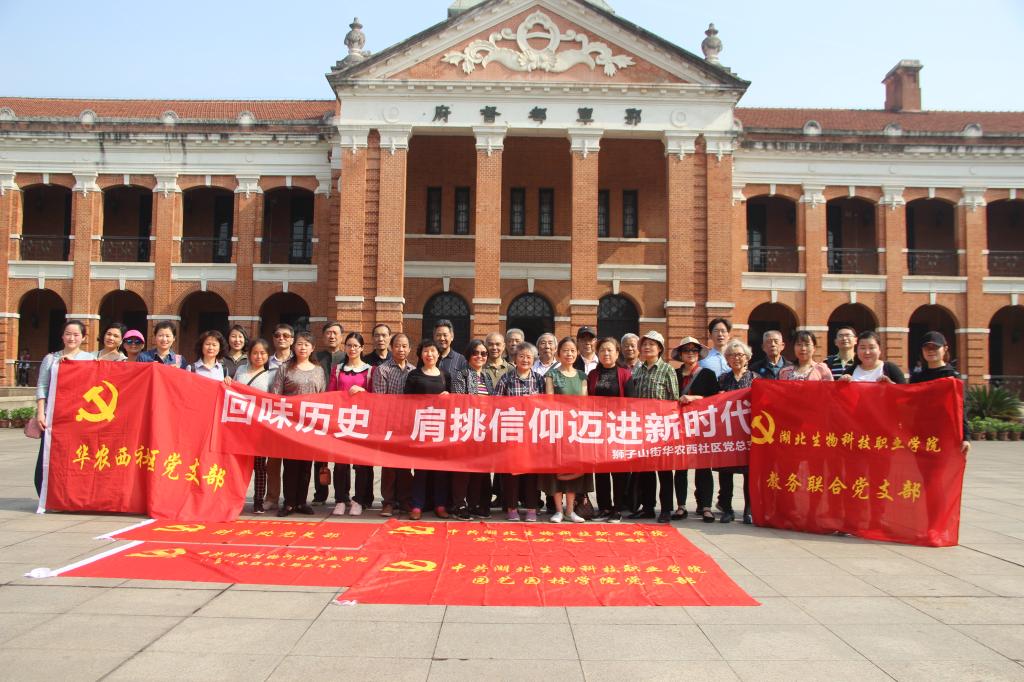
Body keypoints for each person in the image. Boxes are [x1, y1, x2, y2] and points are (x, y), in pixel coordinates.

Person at [34, 319, 96, 494]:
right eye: (68, 334)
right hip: (54, 417)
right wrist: (41, 413)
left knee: (76, 457)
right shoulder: (51, 359)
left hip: (79, 418)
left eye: (76, 335)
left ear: (83, 338)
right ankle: (46, 494)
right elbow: (42, 387)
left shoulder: (90, 359)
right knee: (48, 457)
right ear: (62, 336)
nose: (72, 338)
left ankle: (71, 495)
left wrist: (73, 366)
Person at [269, 330, 325, 517]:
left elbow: (323, 397)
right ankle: (289, 503)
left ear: (313, 348)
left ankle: (301, 501)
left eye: (306, 344)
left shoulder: (318, 370)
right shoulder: (285, 368)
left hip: (310, 425)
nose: (302, 347)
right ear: (294, 347)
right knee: (291, 465)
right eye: (299, 344)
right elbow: (276, 395)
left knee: (306, 465)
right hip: (290, 424)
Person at [628, 331, 680, 523]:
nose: (647, 347)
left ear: (659, 348)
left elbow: (674, 399)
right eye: (644, 344)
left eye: (652, 344)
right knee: (645, 471)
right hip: (642, 428)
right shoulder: (638, 371)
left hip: (661, 428)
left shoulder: (667, 370)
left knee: (664, 471)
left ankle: (666, 509)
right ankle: (648, 507)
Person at [542, 337, 592, 523]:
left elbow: (585, 403)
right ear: (558, 354)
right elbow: (549, 400)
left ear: (577, 353)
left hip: (576, 429)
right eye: (565, 350)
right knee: (557, 470)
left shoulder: (582, 376)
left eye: (572, 350)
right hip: (557, 428)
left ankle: (570, 510)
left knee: (573, 469)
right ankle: (558, 510)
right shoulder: (551, 374)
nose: (569, 354)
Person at [225, 338, 277, 514]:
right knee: (237, 465)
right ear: (249, 354)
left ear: (268, 356)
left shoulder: (271, 375)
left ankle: (258, 501)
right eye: (255, 353)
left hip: (260, 427)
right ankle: (234, 499)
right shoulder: (241, 371)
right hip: (240, 426)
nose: (258, 356)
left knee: (260, 466)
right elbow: (231, 391)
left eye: (263, 353)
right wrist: (227, 381)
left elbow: (275, 401)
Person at [495, 342, 545, 522]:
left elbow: (547, 405)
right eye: (521, 356)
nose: (525, 360)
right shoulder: (506, 379)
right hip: (512, 433)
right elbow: (496, 404)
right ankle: (512, 507)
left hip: (532, 434)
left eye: (529, 357)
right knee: (511, 473)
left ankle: (531, 507)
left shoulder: (539, 379)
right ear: (515, 359)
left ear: (534, 360)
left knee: (531, 473)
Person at [672, 336, 720, 523]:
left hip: (702, 426)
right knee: (680, 468)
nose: (690, 354)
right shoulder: (674, 373)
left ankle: (706, 506)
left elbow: (716, 399)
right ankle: (681, 506)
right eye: (686, 350)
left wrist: (694, 398)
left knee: (703, 467)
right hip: (679, 427)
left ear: (699, 354)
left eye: (694, 350)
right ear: (681, 354)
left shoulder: (707, 374)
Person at [327, 332, 375, 516]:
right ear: (345, 347)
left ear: (362, 348)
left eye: (356, 346)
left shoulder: (370, 370)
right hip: (341, 421)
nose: (352, 349)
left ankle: (358, 500)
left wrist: (363, 391)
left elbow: (375, 396)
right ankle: (340, 499)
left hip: (361, 421)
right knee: (341, 464)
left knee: (361, 464)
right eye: (349, 345)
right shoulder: (338, 369)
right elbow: (330, 394)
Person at [449, 338, 496, 520]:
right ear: (469, 355)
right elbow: (459, 402)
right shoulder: (461, 375)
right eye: (475, 353)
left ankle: (475, 504)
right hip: (466, 427)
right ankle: (459, 504)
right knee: (463, 469)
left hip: (484, 430)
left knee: (480, 469)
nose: (480, 356)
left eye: (483, 353)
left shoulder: (486, 377)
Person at [588, 336, 633, 522]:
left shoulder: (625, 374)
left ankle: (618, 508)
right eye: (602, 350)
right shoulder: (593, 375)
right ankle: (604, 507)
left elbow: (631, 403)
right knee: (601, 471)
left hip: (618, 429)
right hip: (598, 429)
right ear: (597, 353)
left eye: (609, 350)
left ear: (617, 353)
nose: (606, 353)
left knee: (619, 471)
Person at [405, 338, 451, 520]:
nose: (429, 354)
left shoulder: (445, 375)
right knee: (421, 469)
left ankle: (440, 504)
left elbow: (454, 402)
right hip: (421, 427)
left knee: (440, 470)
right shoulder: (414, 375)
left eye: (432, 351)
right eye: (425, 351)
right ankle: (417, 505)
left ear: (438, 354)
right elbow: (406, 402)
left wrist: (448, 396)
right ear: (420, 354)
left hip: (440, 428)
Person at [372, 333, 415, 517]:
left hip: (409, 425)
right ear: (391, 347)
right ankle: (388, 502)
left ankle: (404, 500)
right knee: (389, 465)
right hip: (389, 424)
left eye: (404, 346)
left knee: (405, 464)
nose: (401, 349)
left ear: (410, 349)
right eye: (397, 345)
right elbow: (380, 400)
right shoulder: (382, 370)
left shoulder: (414, 371)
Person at [909, 331, 970, 455]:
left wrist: (966, 438)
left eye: (935, 347)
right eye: (927, 348)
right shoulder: (917, 378)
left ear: (945, 349)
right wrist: (889, 386)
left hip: (945, 434)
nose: (931, 351)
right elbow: (907, 401)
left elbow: (960, 409)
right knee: (923, 467)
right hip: (921, 435)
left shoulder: (952, 377)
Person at [717, 338, 756, 524]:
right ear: (727, 359)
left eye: (740, 355)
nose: (736, 358)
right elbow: (712, 404)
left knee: (749, 472)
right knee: (726, 473)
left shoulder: (755, 379)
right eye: (731, 355)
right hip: (727, 432)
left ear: (747, 357)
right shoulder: (722, 379)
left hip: (748, 432)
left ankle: (749, 509)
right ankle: (727, 509)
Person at [311, 321, 344, 506]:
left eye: (335, 333)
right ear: (323, 336)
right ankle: (320, 494)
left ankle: (342, 495)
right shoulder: (315, 357)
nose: (332, 336)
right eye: (328, 333)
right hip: (320, 412)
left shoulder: (346, 357)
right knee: (320, 458)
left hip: (341, 414)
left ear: (341, 337)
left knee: (342, 457)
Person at [838, 331, 907, 384]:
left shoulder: (890, 369)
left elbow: (904, 393)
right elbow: (839, 396)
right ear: (857, 350)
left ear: (879, 350)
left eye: (871, 347)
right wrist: (840, 384)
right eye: (863, 348)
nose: (867, 352)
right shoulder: (849, 371)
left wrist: (891, 385)